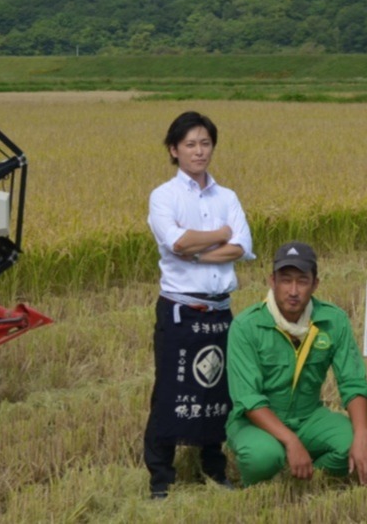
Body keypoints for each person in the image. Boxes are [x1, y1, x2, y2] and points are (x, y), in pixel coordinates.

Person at [143, 111, 254, 498]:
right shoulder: (163, 196)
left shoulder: (228, 196)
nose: (199, 150)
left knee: (218, 389)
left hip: (221, 310)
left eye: (205, 143)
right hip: (180, 309)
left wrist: (198, 251)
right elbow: (176, 242)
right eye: (189, 144)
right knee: (170, 391)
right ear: (174, 150)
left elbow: (242, 247)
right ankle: (161, 478)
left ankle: (214, 468)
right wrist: (220, 234)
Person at [226, 241, 367, 487]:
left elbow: (352, 382)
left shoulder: (333, 320)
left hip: (309, 417)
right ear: (272, 281)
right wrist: (291, 441)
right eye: (286, 280)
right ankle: (261, 485)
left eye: (302, 281)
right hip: (256, 422)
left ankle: (306, 478)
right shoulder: (246, 326)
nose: (293, 291)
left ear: (315, 284)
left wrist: (361, 434)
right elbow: (248, 398)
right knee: (262, 457)